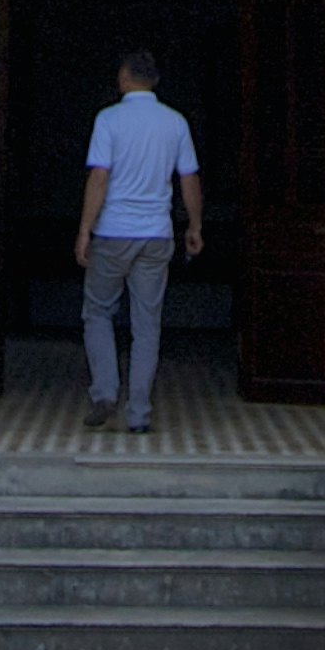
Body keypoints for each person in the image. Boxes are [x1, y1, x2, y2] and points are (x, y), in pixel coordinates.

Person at [76, 48, 204, 433]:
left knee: (98, 312)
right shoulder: (175, 122)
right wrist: (194, 225)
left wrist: (85, 228)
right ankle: (138, 414)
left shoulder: (108, 119)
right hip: (156, 234)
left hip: (113, 232)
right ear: (155, 80)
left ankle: (105, 392)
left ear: (124, 78)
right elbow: (189, 178)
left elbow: (100, 177)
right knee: (147, 326)